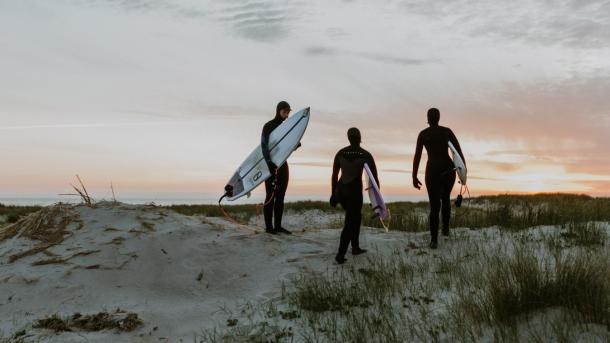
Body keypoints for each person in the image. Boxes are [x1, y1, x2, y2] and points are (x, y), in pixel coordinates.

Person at [412, 108, 466, 249]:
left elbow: (417, 156)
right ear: (439, 118)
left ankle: (434, 240)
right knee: (446, 199)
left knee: (434, 205)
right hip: (448, 169)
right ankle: (445, 230)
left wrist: (414, 175)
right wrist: (463, 170)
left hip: (432, 171)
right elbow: (458, 152)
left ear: (428, 119)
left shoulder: (423, 134)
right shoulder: (446, 131)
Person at [330, 128, 379, 264]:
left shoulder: (340, 152)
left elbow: (334, 175)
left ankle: (355, 247)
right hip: (354, 191)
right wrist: (376, 202)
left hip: (340, 190)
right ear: (359, 137)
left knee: (355, 217)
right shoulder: (365, 154)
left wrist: (333, 195)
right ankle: (340, 254)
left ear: (348, 138)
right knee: (351, 221)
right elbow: (374, 178)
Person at [261, 101, 293, 235]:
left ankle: (278, 226)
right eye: (285, 112)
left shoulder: (287, 127)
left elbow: (285, 147)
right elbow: (264, 145)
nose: (286, 115)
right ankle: (269, 227)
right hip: (270, 165)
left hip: (282, 164)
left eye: (288, 112)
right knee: (270, 195)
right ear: (279, 110)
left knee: (281, 196)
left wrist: (295, 145)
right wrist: (269, 162)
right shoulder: (268, 126)